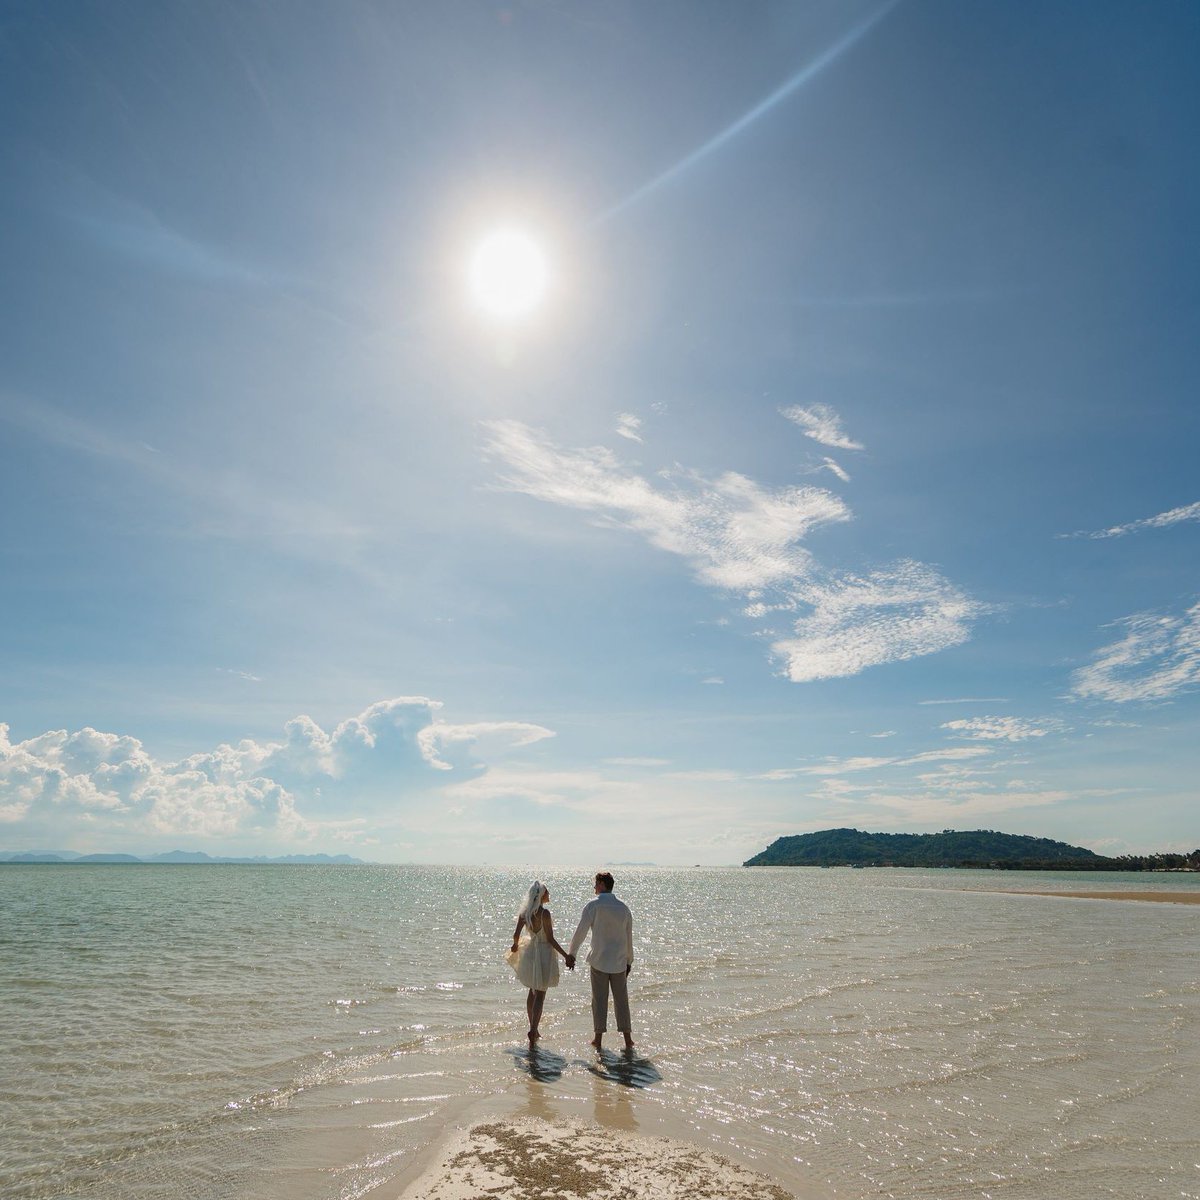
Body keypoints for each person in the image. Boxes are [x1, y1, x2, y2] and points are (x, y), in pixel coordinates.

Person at [566, 871, 634, 1050]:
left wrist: (572, 953)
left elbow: (581, 931)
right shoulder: (623, 908)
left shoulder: (593, 906)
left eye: (596, 883)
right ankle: (628, 1040)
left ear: (603, 884)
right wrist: (629, 961)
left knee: (599, 1000)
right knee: (621, 1001)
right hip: (619, 961)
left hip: (599, 960)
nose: (594, 887)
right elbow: (629, 937)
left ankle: (598, 1039)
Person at [506, 880, 573, 1043]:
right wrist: (566, 956)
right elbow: (550, 939)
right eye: (547, 892)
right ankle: (533, 1030)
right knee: (540, 994)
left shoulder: (525, 914)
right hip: (543, 954)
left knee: (532, 991)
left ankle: (533, 1027)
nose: (549, 895)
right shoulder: (545, 914)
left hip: (530, 953)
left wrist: (515, 946)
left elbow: (516, 935)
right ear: (542, 896)